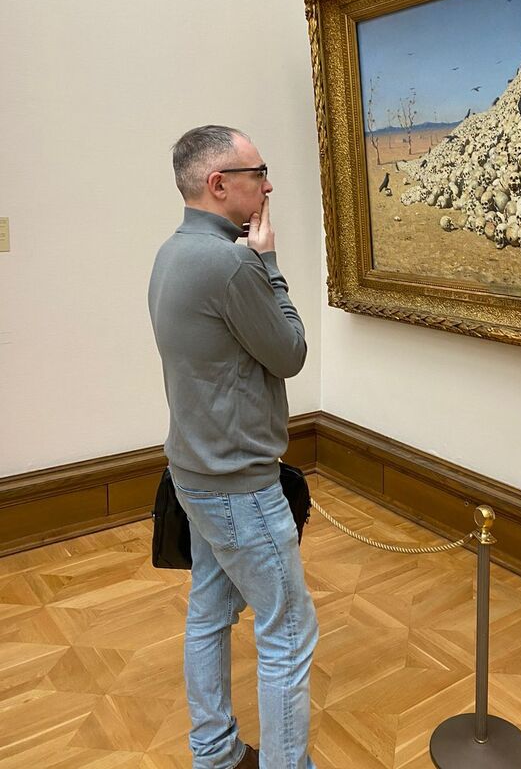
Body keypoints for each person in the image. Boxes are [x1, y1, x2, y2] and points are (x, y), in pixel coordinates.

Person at [148, 125, 318, 769]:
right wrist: (270, 263)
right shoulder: (231, 263)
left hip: (193, 471)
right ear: (219, 184)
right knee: (289, 634)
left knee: (211, 610)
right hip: (239, 485)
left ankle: (215, 752)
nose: (268, 186)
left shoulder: (172, 251)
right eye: (259, 173)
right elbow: (291, 352)